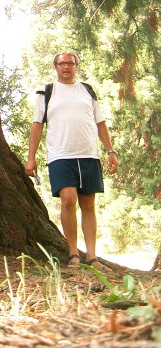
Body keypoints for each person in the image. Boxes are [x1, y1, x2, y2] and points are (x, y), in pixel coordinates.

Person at [25, 50, 119, 270]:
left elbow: (101, 123)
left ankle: (93, 257)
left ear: (76, 66)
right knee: (68, 200)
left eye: (70, 63)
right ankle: (73, 254)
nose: (66, 66)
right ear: (55, 67)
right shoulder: (47, 92)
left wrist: (111, 151)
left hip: (88, 154)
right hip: (60, 155)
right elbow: (37, 124)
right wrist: (31, 158)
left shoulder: (87, 91)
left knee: (88, 204)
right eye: (61, 63)